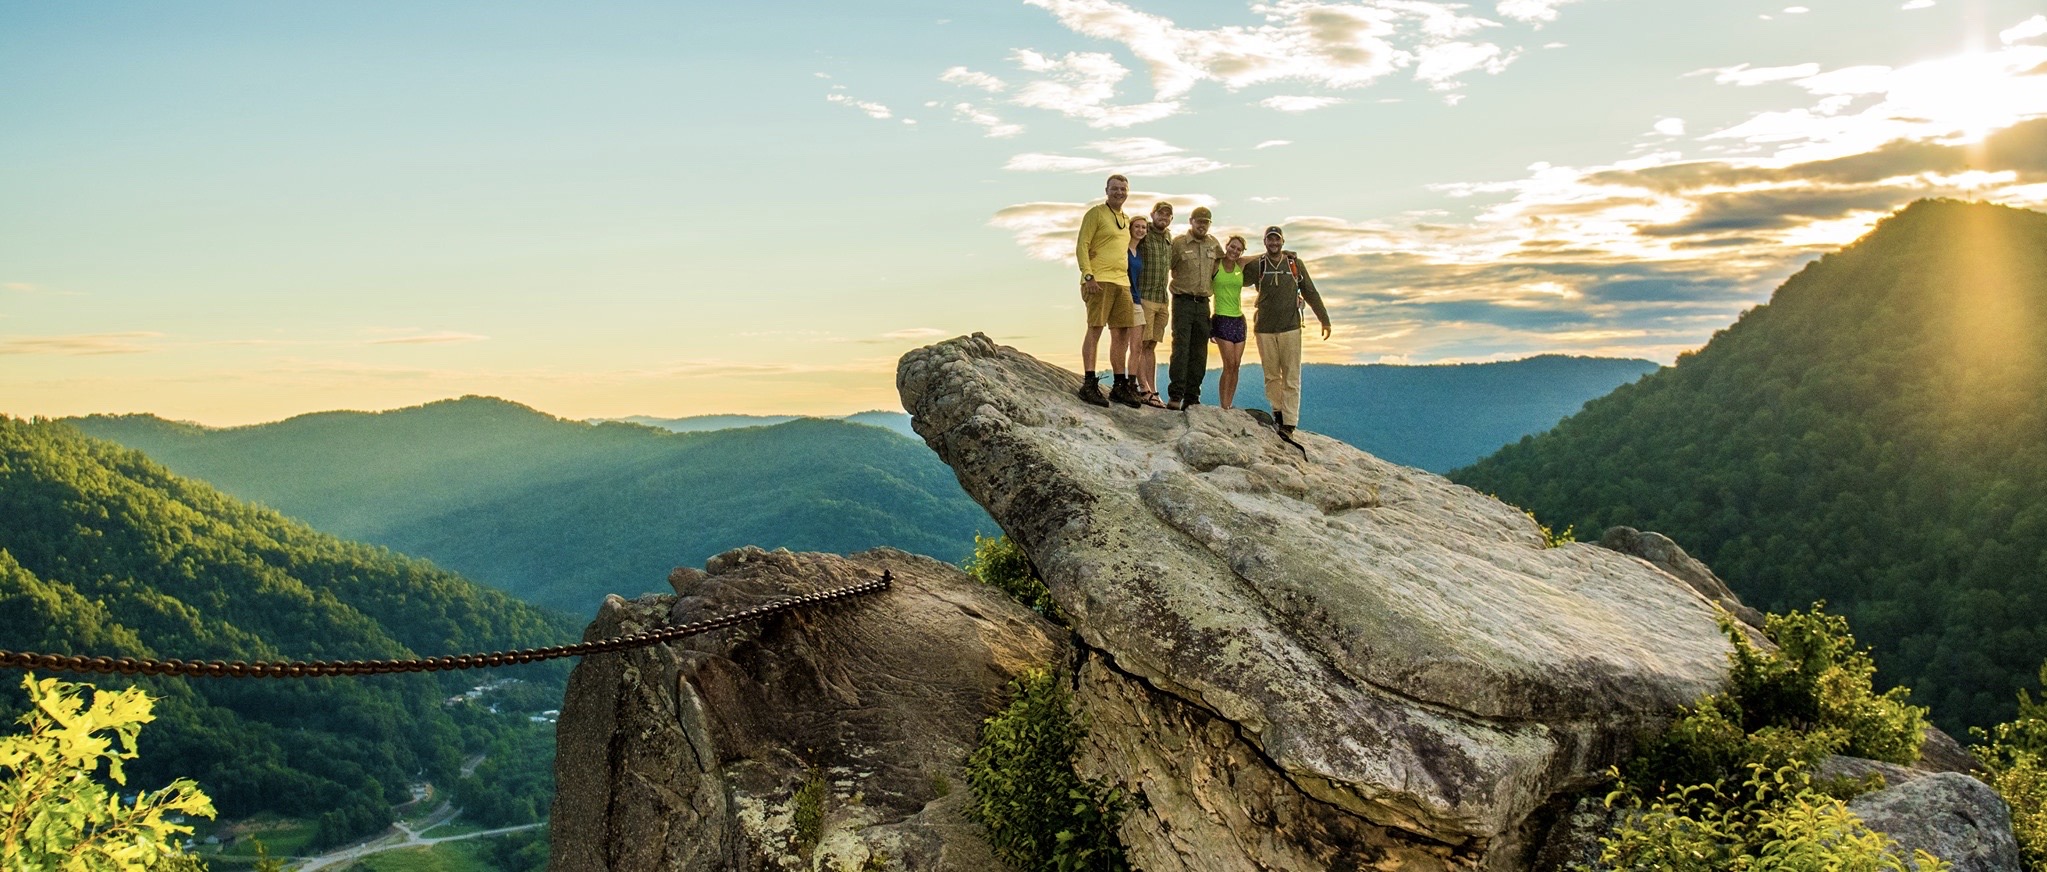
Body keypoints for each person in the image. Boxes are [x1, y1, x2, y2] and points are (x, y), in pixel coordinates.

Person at [1241, 225, 1331, 435]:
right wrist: (1256, 256)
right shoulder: (1259, 265)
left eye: (1277, 240)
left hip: (1291, 327)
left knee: (1291, 375)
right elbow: (1236, 270)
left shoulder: (1294, 264)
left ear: (1283, 241)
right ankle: (1278, 411)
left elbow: (1310, 291)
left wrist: (1324, 320)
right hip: (1264, 328)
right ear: (1265, 242)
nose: (1273, 243)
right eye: (1270, 240)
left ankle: (1289, 422)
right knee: (1271, 375)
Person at [1074, 174, 1143, 408]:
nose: (1119, 192)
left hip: (1122, 283)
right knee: (1095, 329)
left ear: (1127, 191)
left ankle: (1119, 385)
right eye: (1115, 188)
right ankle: (1089, 383)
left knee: (1121, 333)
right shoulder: (1095, 214)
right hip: (1099, 280)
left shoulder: (1125, 218)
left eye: (1123, 189)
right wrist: (1088, 275)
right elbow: (1082, 244)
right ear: (1106, 190)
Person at [1166, 206, 1224, 409]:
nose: (1202, 225)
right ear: (1191, 221)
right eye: (1199, 221)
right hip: (1183, 301)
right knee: (1181, 348)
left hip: (1203, 304)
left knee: (1200, 351)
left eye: (1206, 222)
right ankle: (1176, 395)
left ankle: (1192, 397)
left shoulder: (1213, 244)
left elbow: (1225, 265)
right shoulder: (1179, 243)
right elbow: (1166, 266)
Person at [1134, 201, 1175, 407]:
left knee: (1151, 345)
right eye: (1160, 213)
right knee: (1140, 344)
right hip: (1145, 296)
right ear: (1153, 214)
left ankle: (1153, 390)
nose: (1163, 217)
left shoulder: (1169, 238)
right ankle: (1143, 389)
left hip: (1162, 300)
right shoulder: (1143, 232)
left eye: (1167, 215)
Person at [1209, 234, 1250, 409]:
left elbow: (1261, 256)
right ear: (1227, 246)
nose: (1235, 251)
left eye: (1239, 249)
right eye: (1232, 247)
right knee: (1229, 364)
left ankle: (1229, 403)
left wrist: (1285, 252)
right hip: (1221, 318)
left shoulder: (1240, 265)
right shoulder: (1215, 265)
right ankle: (1223, 404)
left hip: (1238, 320)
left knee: (1236, 365)